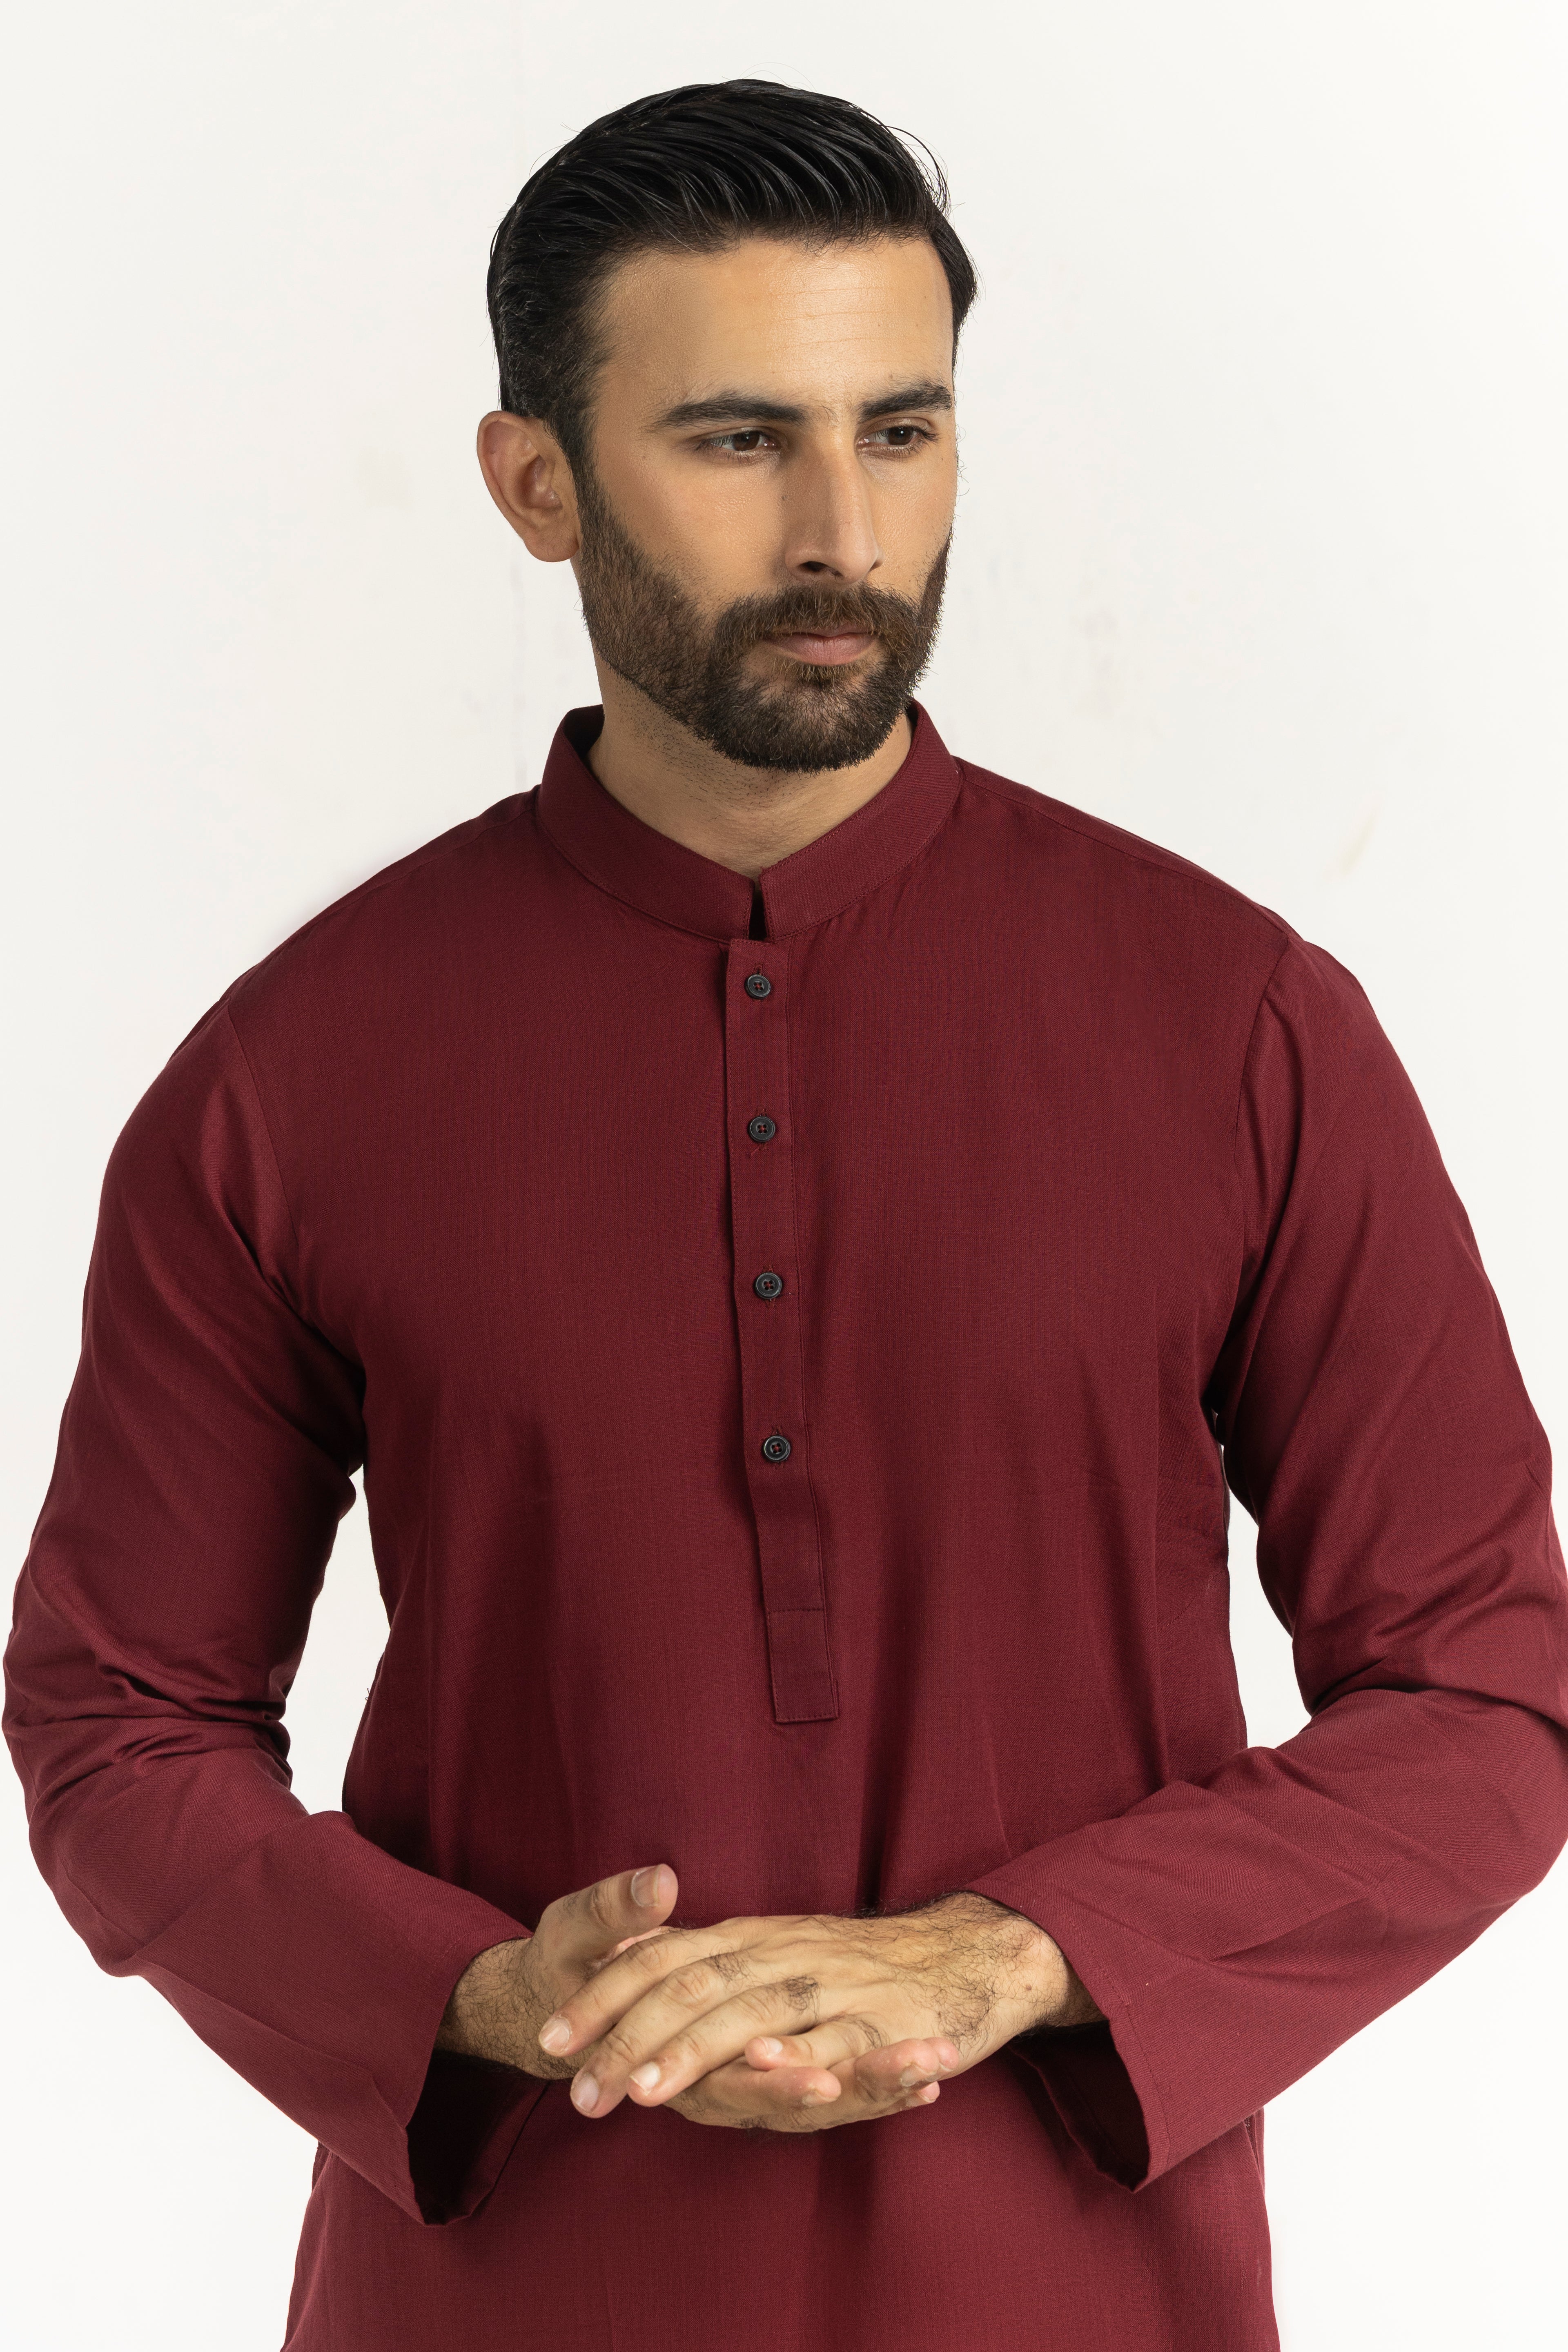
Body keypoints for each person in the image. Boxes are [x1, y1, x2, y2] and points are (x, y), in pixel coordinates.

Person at [6, 76, 1566, 2352]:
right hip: (507, 2297)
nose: (846, 529)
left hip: (1078, 2302)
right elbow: (117, 1721)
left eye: (903, 432)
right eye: (739, 441)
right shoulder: (294, 1073)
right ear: (536, 483)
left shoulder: (1240, 1025)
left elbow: (1488, 1695)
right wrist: (485, 1994)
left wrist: (1013, 1956)